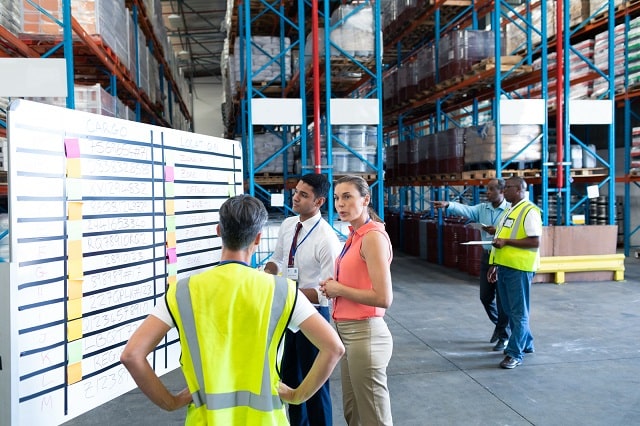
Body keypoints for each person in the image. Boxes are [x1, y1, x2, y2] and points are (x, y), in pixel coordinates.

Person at [120, 194, 345, 424]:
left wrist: (170, 402)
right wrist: (298, 396)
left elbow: (132, 355)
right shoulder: (282, 291)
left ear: (219, 231)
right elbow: (333, 348)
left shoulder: (183, 291)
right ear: (258, 238)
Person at [264, 173, 342, 426]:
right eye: (296, 192)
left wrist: (288, 290)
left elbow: (327, 291)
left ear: (319, 202)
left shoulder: (326, 239)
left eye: (303, 195)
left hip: (312, 315)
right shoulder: (289, 225)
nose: (295, 198)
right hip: (288, 312)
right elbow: (277, 259)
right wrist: (265, 277)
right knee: (290, 380)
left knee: (315, 384)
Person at [320, 175, 394, 426]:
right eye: (337, 198)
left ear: (366, 199)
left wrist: (339, 288)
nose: (340, 204)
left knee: (373, 417)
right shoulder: (355, 235)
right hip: (347, 334)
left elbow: (383, 298)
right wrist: (335, 287)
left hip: (365, 334)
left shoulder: (372, 237)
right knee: (354, 413)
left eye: (347, 197)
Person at [432, 178, 511, 352]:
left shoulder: (509, 211)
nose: (487, 192)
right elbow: (467, 209)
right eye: (487, 189)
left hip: (503, 257)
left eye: (491, 189)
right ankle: (500, 326)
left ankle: (504, 336)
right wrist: (448, 205)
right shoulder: (483, 209)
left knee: (502, 300)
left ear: (502, 191)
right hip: (487, 256)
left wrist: (496, 231)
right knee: (486, 297)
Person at [487, 176, 542, 369]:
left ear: (519, 189)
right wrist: (494, 264)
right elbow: (506, 236)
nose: (504, 190)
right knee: (510, 311)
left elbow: (535, 241)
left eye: (508, 187)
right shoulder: (511, 210)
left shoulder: (529, 211)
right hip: (505, 266)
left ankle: (514, 353)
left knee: (518, 312)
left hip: (519, 268)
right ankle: (526, 343)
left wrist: (507, 242)